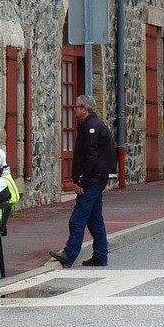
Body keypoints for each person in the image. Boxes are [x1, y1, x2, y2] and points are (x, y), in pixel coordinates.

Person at [49, 94, 115, 268]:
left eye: (77, 107)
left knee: (78, 217)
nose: (74, 109)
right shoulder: (94, 125)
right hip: (96, 178)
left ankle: (70, 253)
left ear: (84, 109)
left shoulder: (91, 127)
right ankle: (100, 255)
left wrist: (81, 181)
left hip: (92, 180)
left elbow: (90, 156)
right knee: (94, 218)